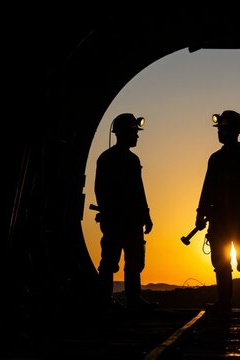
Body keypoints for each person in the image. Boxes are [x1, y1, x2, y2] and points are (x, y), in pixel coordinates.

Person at [195, 110, 240, 315]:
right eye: (220, 129)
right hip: (223, 219)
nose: (220, 133)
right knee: (223, 261)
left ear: (233, 131)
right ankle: (227, 302)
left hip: (239, 219)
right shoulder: (217, 159)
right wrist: (201, 213)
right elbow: (207, 188)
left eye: (223, 129)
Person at [94, 112, 157, 312]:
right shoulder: (124, 159)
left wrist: (145, 214)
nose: (137, 136)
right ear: (124, 133)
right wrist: (144, 215)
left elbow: (137, 190)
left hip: (122, 219)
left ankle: (111, 300)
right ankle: (125, 300)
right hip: (123, 220)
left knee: (123, 261)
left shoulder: (109, 158)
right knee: (124, 261)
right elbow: (137, 191)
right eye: (134, 133)